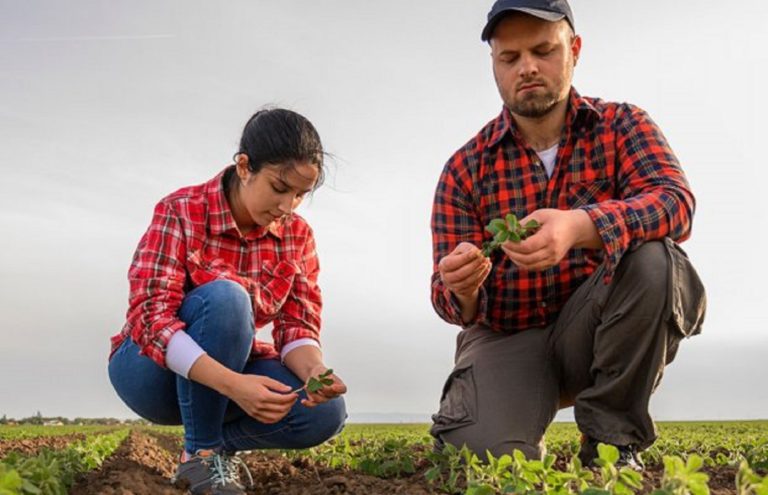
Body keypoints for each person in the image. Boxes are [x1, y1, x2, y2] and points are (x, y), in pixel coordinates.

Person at [429, 0, 706, 470]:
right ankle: (505, 421)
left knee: (657, 260)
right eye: (510, 58)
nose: (528, 68)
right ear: (494, 65)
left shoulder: (622, 126)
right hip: (505, 336)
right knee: (483, 461)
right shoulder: (465, 169)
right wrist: (462, 286)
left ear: (574, 50)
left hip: (597, 330)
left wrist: (582, 225)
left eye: (543, 50)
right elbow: (447, 301)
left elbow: (675, 203)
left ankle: (610, 442)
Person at [108, 108, 347, 494]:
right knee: (227, 298)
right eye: (280, 188)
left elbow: (297, 325)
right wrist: (234, 385)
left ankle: (214, 449)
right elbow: (150, 318)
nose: (288, 206)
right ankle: (201, 456)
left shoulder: (297, 236)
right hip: (149, 371)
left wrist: (315, 372)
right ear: (244, 166)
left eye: (301, 195)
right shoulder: (182, 210)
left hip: (230, 370)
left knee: (325, 414)